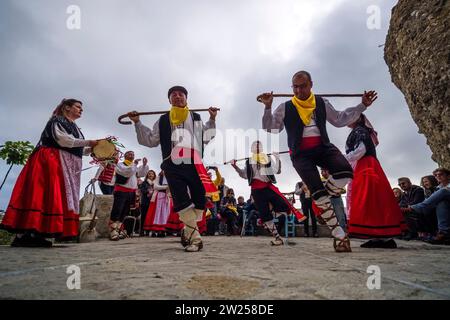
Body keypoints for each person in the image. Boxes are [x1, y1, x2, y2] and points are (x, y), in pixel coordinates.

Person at [260, 70, 377, 252]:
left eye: (303, 86)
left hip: (323, 147)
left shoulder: (322, 102)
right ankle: (339, 236)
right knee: (319, 192)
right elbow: (271, 129)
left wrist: (362, 105)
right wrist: (267, 107)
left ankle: (319, 200)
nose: (299, 91)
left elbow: (339, 119)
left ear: (311, 84)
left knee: (345, 172)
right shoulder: (285, 107)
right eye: (295, 87)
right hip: (300, 153)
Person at [128, 85, 218, 252]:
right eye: (174, 95)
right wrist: (137, 122)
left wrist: (212, 119)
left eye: (181, 94)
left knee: (199, 200)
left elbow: (207, 137)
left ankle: (187, 230)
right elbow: (150, 140)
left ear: (186, 98)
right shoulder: (163, 120)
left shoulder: (196, 117)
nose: (177, 96)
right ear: (169, 100)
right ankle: (195, 239)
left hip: (194, 162)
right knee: (181, 198)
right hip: (172, 163)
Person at [1, 99, 100, 247]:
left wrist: (92, 150)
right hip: (49, 161)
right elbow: (63, 140)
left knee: (54, 196)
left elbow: (76, 147)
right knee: (43, 194)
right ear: (66, 107)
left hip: (63, 164)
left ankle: (38, 233)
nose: (81, 110)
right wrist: (88, 143)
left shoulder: (75, 128)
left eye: (81, 108)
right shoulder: (57, 120)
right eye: (78, 107)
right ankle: (29, 233)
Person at [345, 114, 403, 248]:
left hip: (366, 166)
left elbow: (360, 150)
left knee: (370, 199)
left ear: (358, 119)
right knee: (371, 200)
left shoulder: (360, 131)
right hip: (365, 165)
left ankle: (383, 236)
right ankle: (377, 236)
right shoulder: (359, 131)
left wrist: (341, 158)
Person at [231, 141, 305, 246]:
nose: (257, 148)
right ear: (252, 150)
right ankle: (277, 237)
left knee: (283, 205)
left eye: (259, 146)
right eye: (255, 147)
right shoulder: (249, 162)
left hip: (267, 187)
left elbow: (277, 171)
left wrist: (277, 158)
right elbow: (244, 175)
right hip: (256, 190)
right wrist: (235, 167)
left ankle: (268, 220)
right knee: (265, 214)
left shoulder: (267, 159)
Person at [109, 151, 148, 241]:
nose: (132, 155)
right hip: (121, 191)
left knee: (125, 211)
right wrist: (134, 164)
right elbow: (127, 172)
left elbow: (141, 173)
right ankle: (112, 230)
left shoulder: (133, 166)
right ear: (125, 156)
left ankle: (118, 229)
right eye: (130, 154)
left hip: (131, 192)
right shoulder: (120, 165)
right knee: (117, 210)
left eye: (133, 154)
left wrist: (144, 165)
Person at [405, 168, 450, 245]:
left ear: (448, 176)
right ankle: (443, 234)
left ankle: (413, 208)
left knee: (444, 191)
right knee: (441, 202)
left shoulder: (442, 189)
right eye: (436, 175)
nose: (438, 176)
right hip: (443, 207)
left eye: (441, 174)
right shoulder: (437, 188)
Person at [143, 170, 171, 237]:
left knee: (164, 213)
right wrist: (166, 187)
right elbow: (155, 186)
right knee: (157, 213)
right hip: (158, 197)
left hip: (166, 197)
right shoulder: (158, 178)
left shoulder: (170, 178)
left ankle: (162, 230)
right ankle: (155, 230)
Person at [139, 170, 156, 236]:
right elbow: (142, 190)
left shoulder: (155, 183)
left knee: (151, 217)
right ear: (147, 175)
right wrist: (149, 191)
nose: (151, 175)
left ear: (154, 175)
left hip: (153, 202)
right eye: (149, 174)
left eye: (152, 174)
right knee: (144, 216)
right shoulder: (144, 183)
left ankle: (149, 230)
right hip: (145, 202)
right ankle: (142, 230)